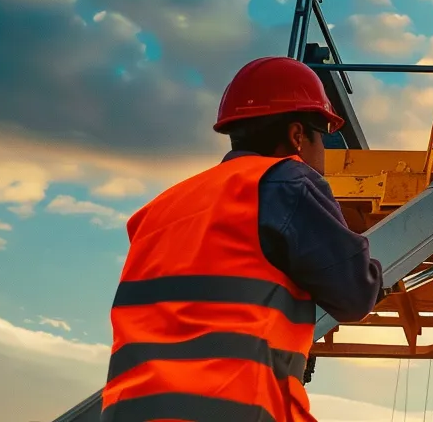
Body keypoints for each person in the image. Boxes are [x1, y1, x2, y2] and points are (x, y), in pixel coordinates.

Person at [101, 56, 384, 422]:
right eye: (323, 139)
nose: (325, 155)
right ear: (297, 136)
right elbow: (355, 293)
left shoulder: (156, 212)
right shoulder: (288, 183)